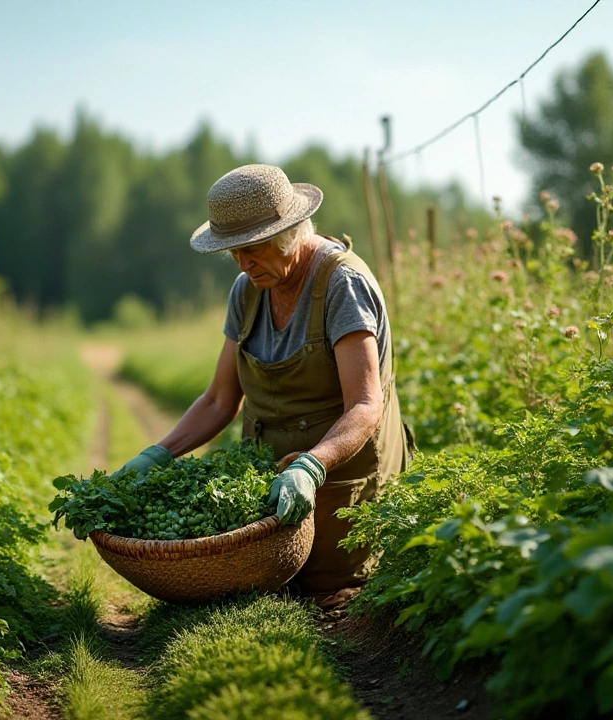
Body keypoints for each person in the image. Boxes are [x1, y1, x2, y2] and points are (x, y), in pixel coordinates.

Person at [116, 163, 412, 608]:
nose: (242, 263)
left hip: (340, 484)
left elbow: (365, 406)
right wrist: (156, 454)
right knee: (261, 592)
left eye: (252, 248)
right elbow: (219, 399)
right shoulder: (247, 289)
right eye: (233, 251)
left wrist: (310, 467)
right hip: (268, 485)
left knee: (330, 594)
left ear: (290, 232)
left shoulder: (341, 285)